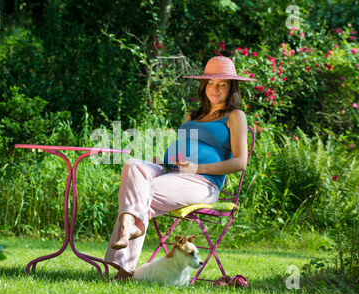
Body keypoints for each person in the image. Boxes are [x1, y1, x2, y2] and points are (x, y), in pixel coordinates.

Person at [104, 56, 256, 280]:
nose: (215, 89)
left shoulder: (235, 116)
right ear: (204, 86)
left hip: (202, 181)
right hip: (172, 172)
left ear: (232, 87)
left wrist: (197, 167)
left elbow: (240, 162)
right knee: (133, 165)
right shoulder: (192, 115)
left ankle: (124, 264)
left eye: (222, 84)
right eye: (211, 84)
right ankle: (129, 227)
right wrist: (163, 161)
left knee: (139, 193)